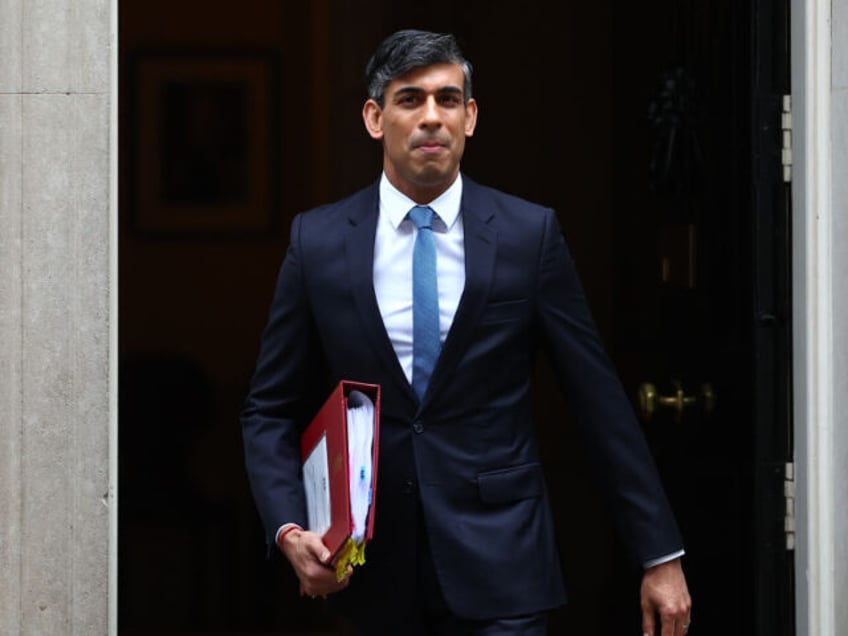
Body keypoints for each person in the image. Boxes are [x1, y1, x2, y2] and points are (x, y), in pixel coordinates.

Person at [241, 28, 692, 636]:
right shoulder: (318, 242)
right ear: (375, 118)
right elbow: (268, 409)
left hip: (503, 564)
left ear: (470, 116)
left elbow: (600, 403)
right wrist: (290, 529)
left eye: (448, 99)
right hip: (370, 578)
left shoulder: (527, 236)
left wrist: (659, 555)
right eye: (410, 100)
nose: (432, 118)